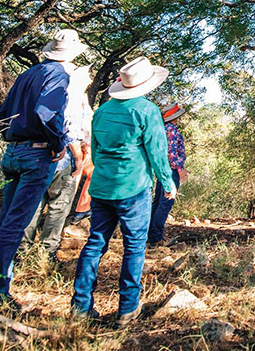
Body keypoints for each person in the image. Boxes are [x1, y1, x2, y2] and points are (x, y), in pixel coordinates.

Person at [0, 29, 87, 309]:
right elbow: (46, 112)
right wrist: (58, 143)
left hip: (13, 151)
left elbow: (3, 114)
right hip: (37, 154)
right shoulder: (59, 76)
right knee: (15, 224)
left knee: (6, 221)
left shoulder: (27, 74)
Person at [70, 56, 176, 326]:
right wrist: (167, 181)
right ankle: (127, 309)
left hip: (102, 187)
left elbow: (94, 147)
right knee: (134, 247)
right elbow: (156, 151)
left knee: (95, 243)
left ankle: (80, 307)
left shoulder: (103, 111)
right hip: (133, 187)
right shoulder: (147, 110)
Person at [22, 64, 93, 259]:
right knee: (58, 206)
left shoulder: (55, 93)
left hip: (41, 156)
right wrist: (78, 158)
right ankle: (46, 253)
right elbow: (70, 131)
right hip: (64, 158)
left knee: (36, 203)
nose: (90, 80)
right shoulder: (73, 97)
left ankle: (23, 250)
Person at [147, 103, 188, 245]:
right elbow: (171, 153)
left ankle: (150, 234)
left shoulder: (162, 129)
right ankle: (156, 237)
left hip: (163, 170)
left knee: (158, 201)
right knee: (165, 202)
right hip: (171, 171)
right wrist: (179, 169)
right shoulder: (171, 130)